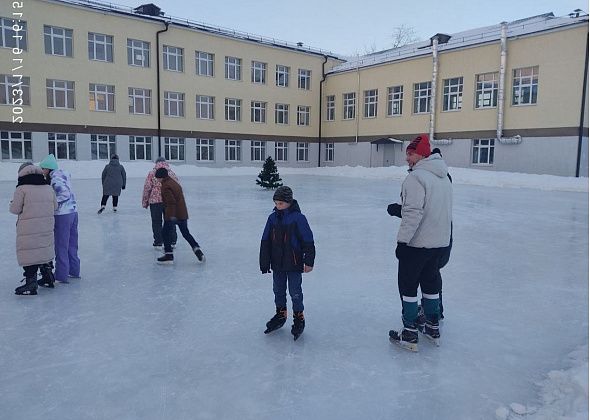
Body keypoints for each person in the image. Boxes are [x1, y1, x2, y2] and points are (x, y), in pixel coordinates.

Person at [388, 134, 452, 351]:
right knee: (431, 285)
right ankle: (432, 326)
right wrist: (400, 209)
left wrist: (402, 242)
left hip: (417, 245)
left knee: (407, 287)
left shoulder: (416, 178)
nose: (407, 159)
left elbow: (414, 213)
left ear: (422, 154)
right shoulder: (443, 177)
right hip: (439, 244)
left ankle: (409, 333)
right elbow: (435, 210)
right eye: (407, 154)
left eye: (411, 154)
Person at [259, 186, 315, 341]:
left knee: (295, 292)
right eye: (276, 203)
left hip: (294, 263)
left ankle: (299, 317)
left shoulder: (299, 218)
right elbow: (265, 241)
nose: (278, 206)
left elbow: (308, 241)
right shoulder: (272, 218)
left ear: (289, 202)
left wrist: (308, 261)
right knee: (278, 290)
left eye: (281, 203)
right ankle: (281, 314)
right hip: (277, 264)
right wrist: (264, 262)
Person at [9, 162, 57, 295]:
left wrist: (12, 203)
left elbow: (15, 209)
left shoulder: (22, 188)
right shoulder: (48, 187)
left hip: (28, 228)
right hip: (46, 226)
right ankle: (48, 276)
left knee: (31, 252)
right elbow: (55, 206)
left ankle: (31, 282)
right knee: (43, 248)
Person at [40, 154, 81, 284]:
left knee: (61, 245)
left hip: (62, 215)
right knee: (72, 244)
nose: (42, 171)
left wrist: (52, 204)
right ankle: (74, 270)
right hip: (73, 212)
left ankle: (61, 275)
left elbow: (64, 194)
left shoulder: (55, 179)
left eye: (43, 168)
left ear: (48, 168)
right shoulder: (64, 175)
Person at [154, 167, 205, 264]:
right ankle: (197, 250)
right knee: (186, 233)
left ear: (161, 177)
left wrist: (171, 216)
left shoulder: (165, 185)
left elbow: (171, 202)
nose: (157, 180)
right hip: (182, 213)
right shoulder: (173, 182)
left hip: (173, 214)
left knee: (165, 233)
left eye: (158, 178)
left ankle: (169, 256)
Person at [142, 157, 178, 248]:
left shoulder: (152, 173)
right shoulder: (171, 173)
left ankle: (158, 242)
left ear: (156, 163)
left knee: (156, 222)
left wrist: (145, 202)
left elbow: (147, 188)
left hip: (155, 201)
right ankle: (172, 241)